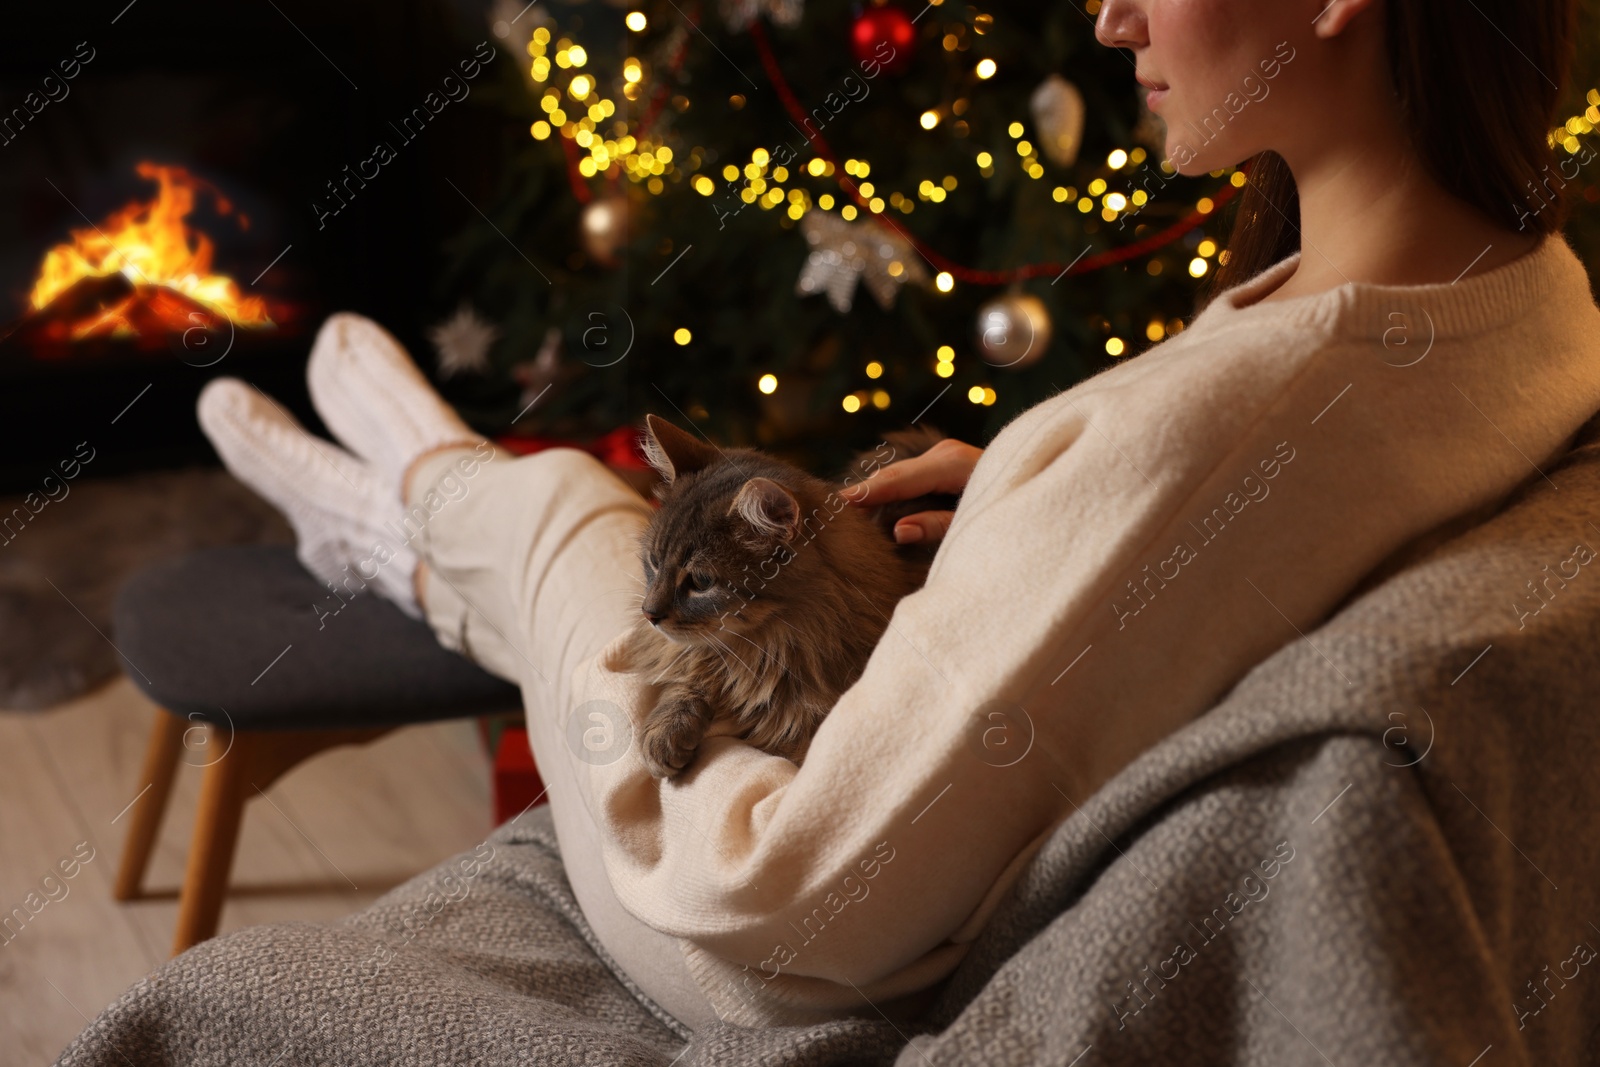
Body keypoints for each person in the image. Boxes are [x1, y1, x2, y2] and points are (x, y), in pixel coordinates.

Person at [195, 0, 1599, 1032]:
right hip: (963, 788)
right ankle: (420, 515)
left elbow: (785, 901)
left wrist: (1098, 498)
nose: (1110, 21)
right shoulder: (1532, 302)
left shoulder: (1226, 429)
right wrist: (1038, 507)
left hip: (751, 925)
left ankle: (416, 513)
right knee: (599, 528)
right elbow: (1230, 529)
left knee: (573, 512)